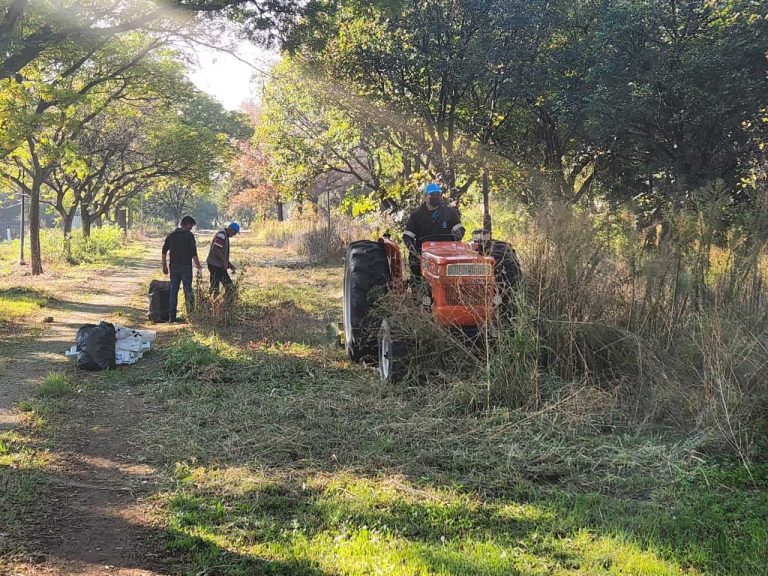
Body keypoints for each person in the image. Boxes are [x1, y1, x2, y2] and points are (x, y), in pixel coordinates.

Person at [403, 183, 465, 277]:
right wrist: (417, 254)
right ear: (425, 197)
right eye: (432, 194)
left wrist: (454, 244)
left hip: (446, 253)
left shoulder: (449, 213)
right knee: (415, 267)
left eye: (437, 194)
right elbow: (407, 237)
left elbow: (460, 230)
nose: (435, 196)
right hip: (423, 254)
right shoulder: (416, 216)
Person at [162, 215, 203, 322]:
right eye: (191, 225)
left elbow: (164, 250)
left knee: (173, 291)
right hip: (186, 267)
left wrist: (164, 265)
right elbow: (194, 253)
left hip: (174, 267)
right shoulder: (189, 236)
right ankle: (190, 315)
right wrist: (198, 266)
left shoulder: (171, 235)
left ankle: (171, 316)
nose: (192, 228)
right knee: (187, 290)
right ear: (187, 224)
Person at [207, 222, 240, 295]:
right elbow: (216, 250)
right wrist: (224, 262)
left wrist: (229, 264)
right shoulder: (222, 235)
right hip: (215, 266)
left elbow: (222, 253)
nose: (234, 235)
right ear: (231, 229)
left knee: (214, 288)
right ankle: (226, 304)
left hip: (216, 264)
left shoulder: (224, 235)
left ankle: (214, 303)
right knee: (230, 288)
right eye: (234, 233)